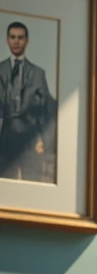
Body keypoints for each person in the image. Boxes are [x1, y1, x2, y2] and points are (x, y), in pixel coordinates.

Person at [0, 21, 57, 182]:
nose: (16, 41)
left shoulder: (38, 73)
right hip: (4, 139)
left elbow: (47, 111)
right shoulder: (0, 70)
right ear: (7, 40)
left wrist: (45, 143)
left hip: (30, 139)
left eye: (20, 37)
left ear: (26, 40)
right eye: (13, 37)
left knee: (33, 185)